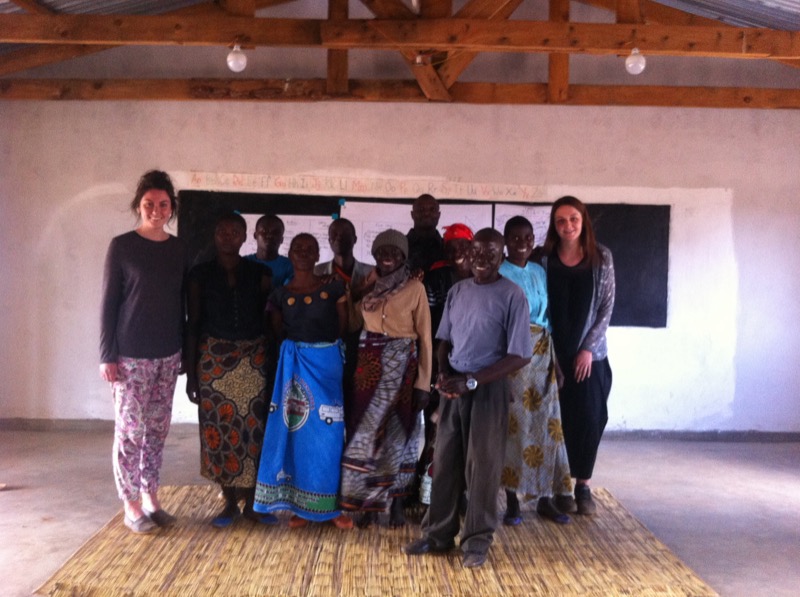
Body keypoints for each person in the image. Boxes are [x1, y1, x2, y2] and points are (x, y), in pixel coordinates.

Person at [403, 228, 532, 568]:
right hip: (453, 389)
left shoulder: (513, 295)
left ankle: (476, 541)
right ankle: (438, 535)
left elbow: (520, 355)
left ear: (502, 258)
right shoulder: (459, 291)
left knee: (482, 467)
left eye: (490, 254)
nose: (481, 259)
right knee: (444, 461)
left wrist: (472, 381)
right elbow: (445, 339)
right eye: (476, 251)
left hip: (488, 390)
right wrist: (444, 373)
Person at [99, 170, 188, 534]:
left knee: (157, 430)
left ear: (172, 208)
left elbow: (183, 302)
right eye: (149, 204)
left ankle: (151, 497)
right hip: (130, 355)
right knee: (131, 432)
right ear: (139, 206)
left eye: (163, 204)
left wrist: (183, 350)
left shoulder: (180, 249)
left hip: (167, 353)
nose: (156, 210)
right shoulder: (122, 246)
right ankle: (131, 504)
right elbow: (108, 303)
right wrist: (107, 354)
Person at [253, 233, 353, 530]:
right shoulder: (280, 295)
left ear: (317, 252)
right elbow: (278, 331)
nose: (304, 253)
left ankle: (331, 508)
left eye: (310, 248)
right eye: (298, 248)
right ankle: (302, 507)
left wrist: (321, 353)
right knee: (298, 435)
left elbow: (343, 326)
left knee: (329, 437)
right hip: (294, 369)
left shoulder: (334, 287)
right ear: (290, 253)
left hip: (327, 366)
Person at [185, 212, 275, 528]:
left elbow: (269, 323)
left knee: (253, 432)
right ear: (214, 234)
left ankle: (252, 504)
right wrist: (191, 374)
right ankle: (228, 504)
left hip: (253, 360)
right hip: (213, 362)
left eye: (234, 231)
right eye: (222, 230)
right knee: (220, 432)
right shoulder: (199, 275)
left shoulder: (261, 273)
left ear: (243, 236)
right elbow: (193, 324)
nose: (227, 236)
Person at [339, 229, 432, 528]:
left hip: (403, 367)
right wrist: (358, 293)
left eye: (394, 253)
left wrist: (423, 384)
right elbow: (353, 324)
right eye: (381, 252)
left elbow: (426, 339)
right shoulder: (368, 284)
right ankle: (368, 506)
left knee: (399, 434)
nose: (387, 258)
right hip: (368, 366)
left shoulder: (415, 288)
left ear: (403, 257)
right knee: (366, 435)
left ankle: (397, 504)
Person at [541, 196, 615, 516]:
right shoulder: (543, 260)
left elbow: (605, 308)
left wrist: (587, 349)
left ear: (583, 221)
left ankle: (582, 485)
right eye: (561, 220)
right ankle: (560, 488)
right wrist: (552, 355)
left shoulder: (601, 258)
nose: (568, 226)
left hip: (590, 358)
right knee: (557, 423)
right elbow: (539, 310)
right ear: (554, 226)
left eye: (573, 219)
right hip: (552, 357)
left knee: (589, 419)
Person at [498, 216, 572, 526]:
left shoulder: (540, 271)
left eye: (528, 237)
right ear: (505, 240)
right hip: (514, 353)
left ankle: (544, 498)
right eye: (515, 237)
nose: (522, 243)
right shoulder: (499, 272)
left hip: (543, 352)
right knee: (516, 428)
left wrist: (555, 361)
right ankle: (513, 501)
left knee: (547, 427)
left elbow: (548, 317)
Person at [418, 223, 474, 505]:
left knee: (468, 431)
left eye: (463, 246)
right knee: (436, 428)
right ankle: (429, 492)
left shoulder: (482, 277)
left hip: (473, 363)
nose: (457, 252)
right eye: (451, 247)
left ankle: (461, 491)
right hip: (443, 357)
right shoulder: (437, 276)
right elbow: (429, 323)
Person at [314, 217, 374, 433]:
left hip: (363, 345)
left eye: (345, 235)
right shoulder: (317, 273)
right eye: (334, 235)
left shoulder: (371, 273)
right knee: (330, 403)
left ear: (355, 239)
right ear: (329, 241)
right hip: (329, 344)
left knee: (357, 403)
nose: (339, 239)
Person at [245, 214, 294, 286]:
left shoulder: (290, 266)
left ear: (282, 239)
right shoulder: (244, 263)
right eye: (264, 231)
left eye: (275, 233)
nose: (269, 236)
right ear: (255, 235)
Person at [406, 194, 445, 274]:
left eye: (432, 209)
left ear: (439, 215)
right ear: (412, 215)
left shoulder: (448, 248)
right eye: (421, 209)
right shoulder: (400, 248)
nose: (426, 213)